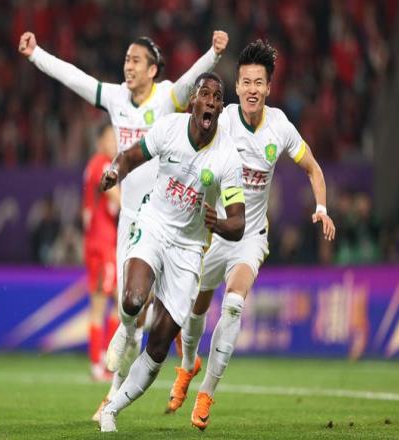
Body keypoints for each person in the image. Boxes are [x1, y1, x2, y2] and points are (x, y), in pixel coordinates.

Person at [18, 29, 228, 418]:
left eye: (135, 61)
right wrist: (36, 55)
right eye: (126, 60)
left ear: (152, 69)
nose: (128, 66)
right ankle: (123, 369)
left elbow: (192, 83)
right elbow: (75, 78)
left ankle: (121, 388)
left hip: (169, 216)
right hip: (132, 217)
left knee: (146, 313)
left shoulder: (167, 97)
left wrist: (214, 54)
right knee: (129, 305)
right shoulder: (116, 98)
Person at [165, 40, 336, 431]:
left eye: (259, 82)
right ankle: (188, 364)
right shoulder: (222, 119)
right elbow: (188, 142)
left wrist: (322, 208)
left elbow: (312, 168)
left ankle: (207, 393)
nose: (252, 89)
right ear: (238, 87)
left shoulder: (280, 127)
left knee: (233, 306)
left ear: (268, 88)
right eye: (246, 82)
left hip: (250, 236)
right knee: (195, 309)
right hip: (213, 232)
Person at [98, 73, 245, 432]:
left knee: (161, 344)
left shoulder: (227, 156)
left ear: (220, 108)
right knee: (133, 299)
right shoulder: (169, 128)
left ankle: (111, 409)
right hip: (154, 224)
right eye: (204, 94)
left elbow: (238, 223)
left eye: (217, 97)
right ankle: (127, 330)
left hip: (189, 249)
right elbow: (131, 156)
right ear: (193, 101)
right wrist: (115, 171)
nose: (210, 101)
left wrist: (217, 223)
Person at [82, 123, 121, 381]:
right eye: (110, 138)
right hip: (101, 243)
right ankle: (98, 362)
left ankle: (108, 358)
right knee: (99, 303)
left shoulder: (94, 165)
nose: (114, 143)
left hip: (103, 241)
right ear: (100, 141)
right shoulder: (102, 164)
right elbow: (118, 199)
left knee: (119, 301)